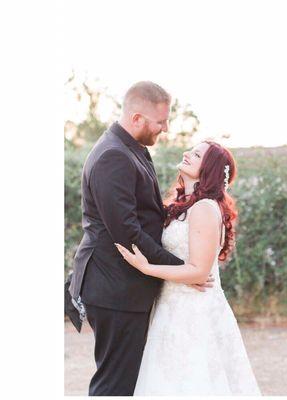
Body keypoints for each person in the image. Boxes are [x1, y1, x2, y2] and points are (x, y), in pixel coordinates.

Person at [67, 81, 212, 396]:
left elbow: (147, 215)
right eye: (160, 122)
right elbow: (127, 233)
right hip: (114, 287)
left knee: (128, 379)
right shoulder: (112, 156)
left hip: (124, 285)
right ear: (136, 118)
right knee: (116, 384)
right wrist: (183, 270)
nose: (165, 128)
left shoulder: (131, 149)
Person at [116, 141, 262, 395]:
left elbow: (199, 272)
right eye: (191, 150)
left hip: (194, 310)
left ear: (210, 169)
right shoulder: (186, 204)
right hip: (172, 306)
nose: (187, 154)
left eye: (196, 154)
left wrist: (146, 267)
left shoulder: (204, 208)